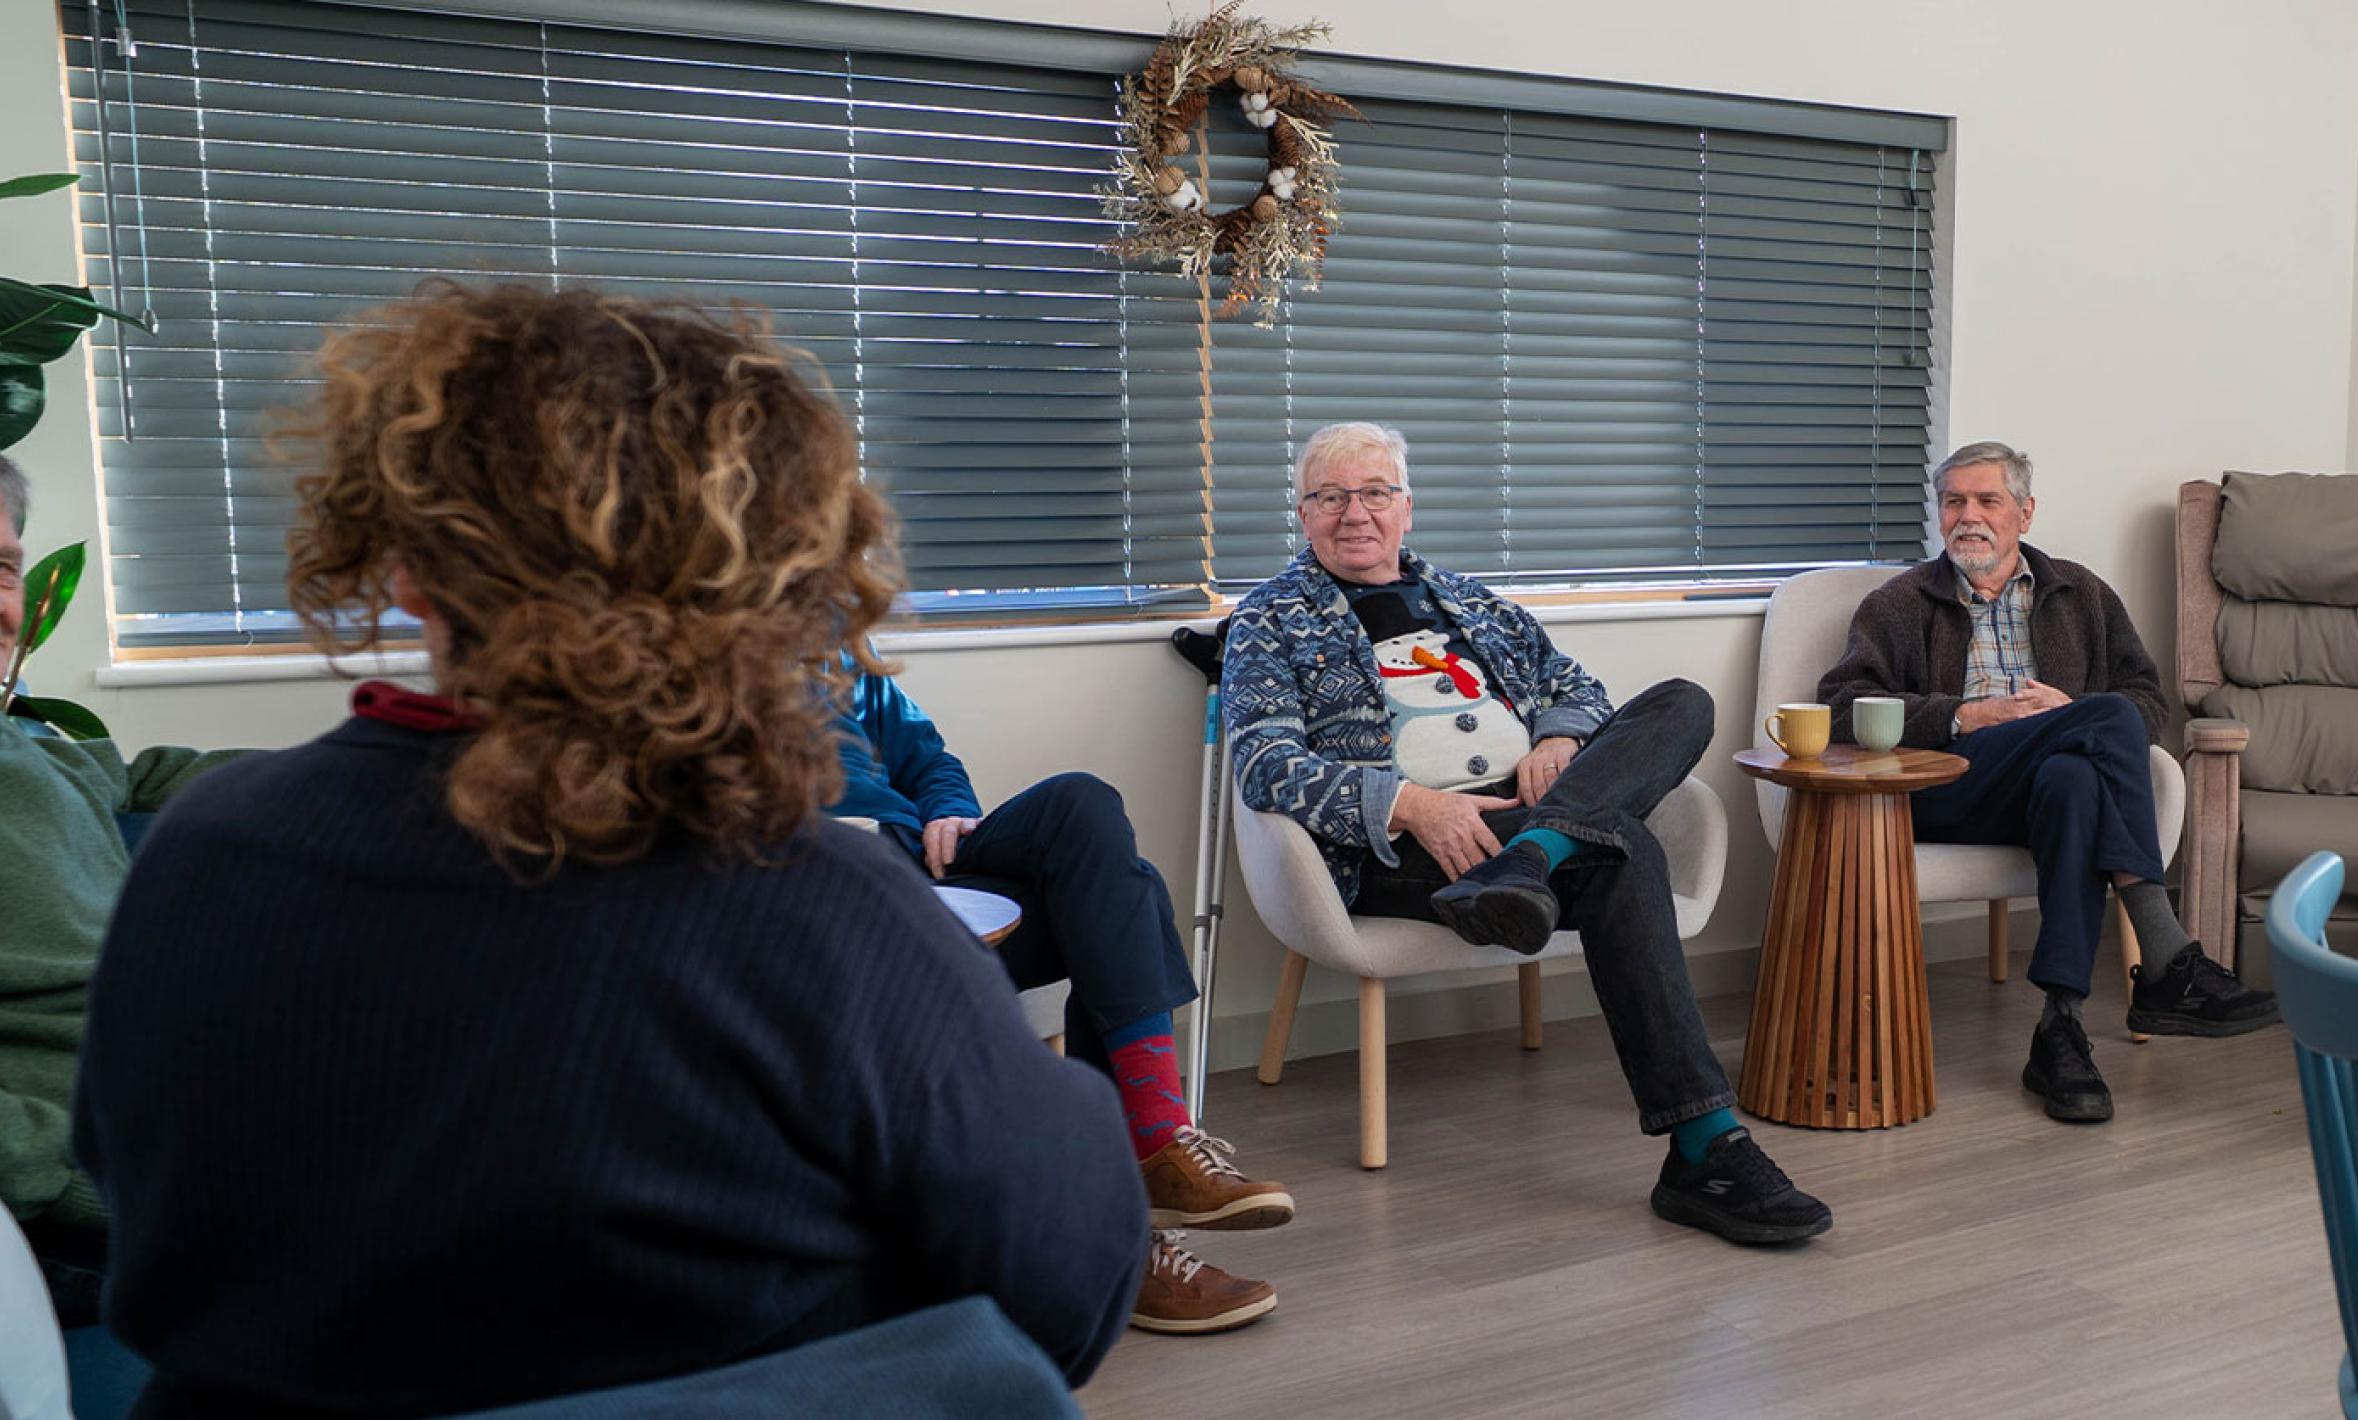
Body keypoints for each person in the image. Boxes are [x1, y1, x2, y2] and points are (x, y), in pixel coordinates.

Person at [73, 285, 1148, 1415]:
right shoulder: (816, 906)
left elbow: (124, 1176)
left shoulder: (203, 847)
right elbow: (1068, 1288)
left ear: (406, 566)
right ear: (777, 577)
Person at [1222, 422, 1832, 1246]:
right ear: (1302, 514)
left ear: (1408, 508)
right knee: (1627, 850)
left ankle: (1534, 853)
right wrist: (1411, 805)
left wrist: (1559, 739)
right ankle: (1706, 1147)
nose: (1353, 513)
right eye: (1329, 496)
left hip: (1515, 822)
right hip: (1399, 844)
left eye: (1373, 493)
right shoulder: (1272, 619)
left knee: (1683, 700)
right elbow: (1264, 764)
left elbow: (1574, 683)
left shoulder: (1468, 599)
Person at [1816, 440, 2278, 1124]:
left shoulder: (2081, 592)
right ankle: (2166, 957)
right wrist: (1969, 714)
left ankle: (2059, 1030)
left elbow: (2148, 701)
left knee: (2074, 776)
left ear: (2024, 513)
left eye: (1987, 500)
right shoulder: (1899, 603)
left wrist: (2071, 719)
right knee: (2102, 720)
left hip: (2046, 795)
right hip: (1952, 786)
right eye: (1953, 502)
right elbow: (1839, 706)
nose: (1967, 516)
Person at [828, 668, 1292, 1334]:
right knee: (1127, 900)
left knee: (1084, 808)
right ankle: (1126, 1234)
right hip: (820, 889)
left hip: (917, 868)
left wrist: (946, 807)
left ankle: (1158, 1149)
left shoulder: (834, 634)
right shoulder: (670, 645)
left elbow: (926, 759)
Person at [0, 452, 242, 1329]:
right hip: (92, 1221)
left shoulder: (34, 747)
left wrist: (397, 775)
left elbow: (146, 779)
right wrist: (56, 1172)